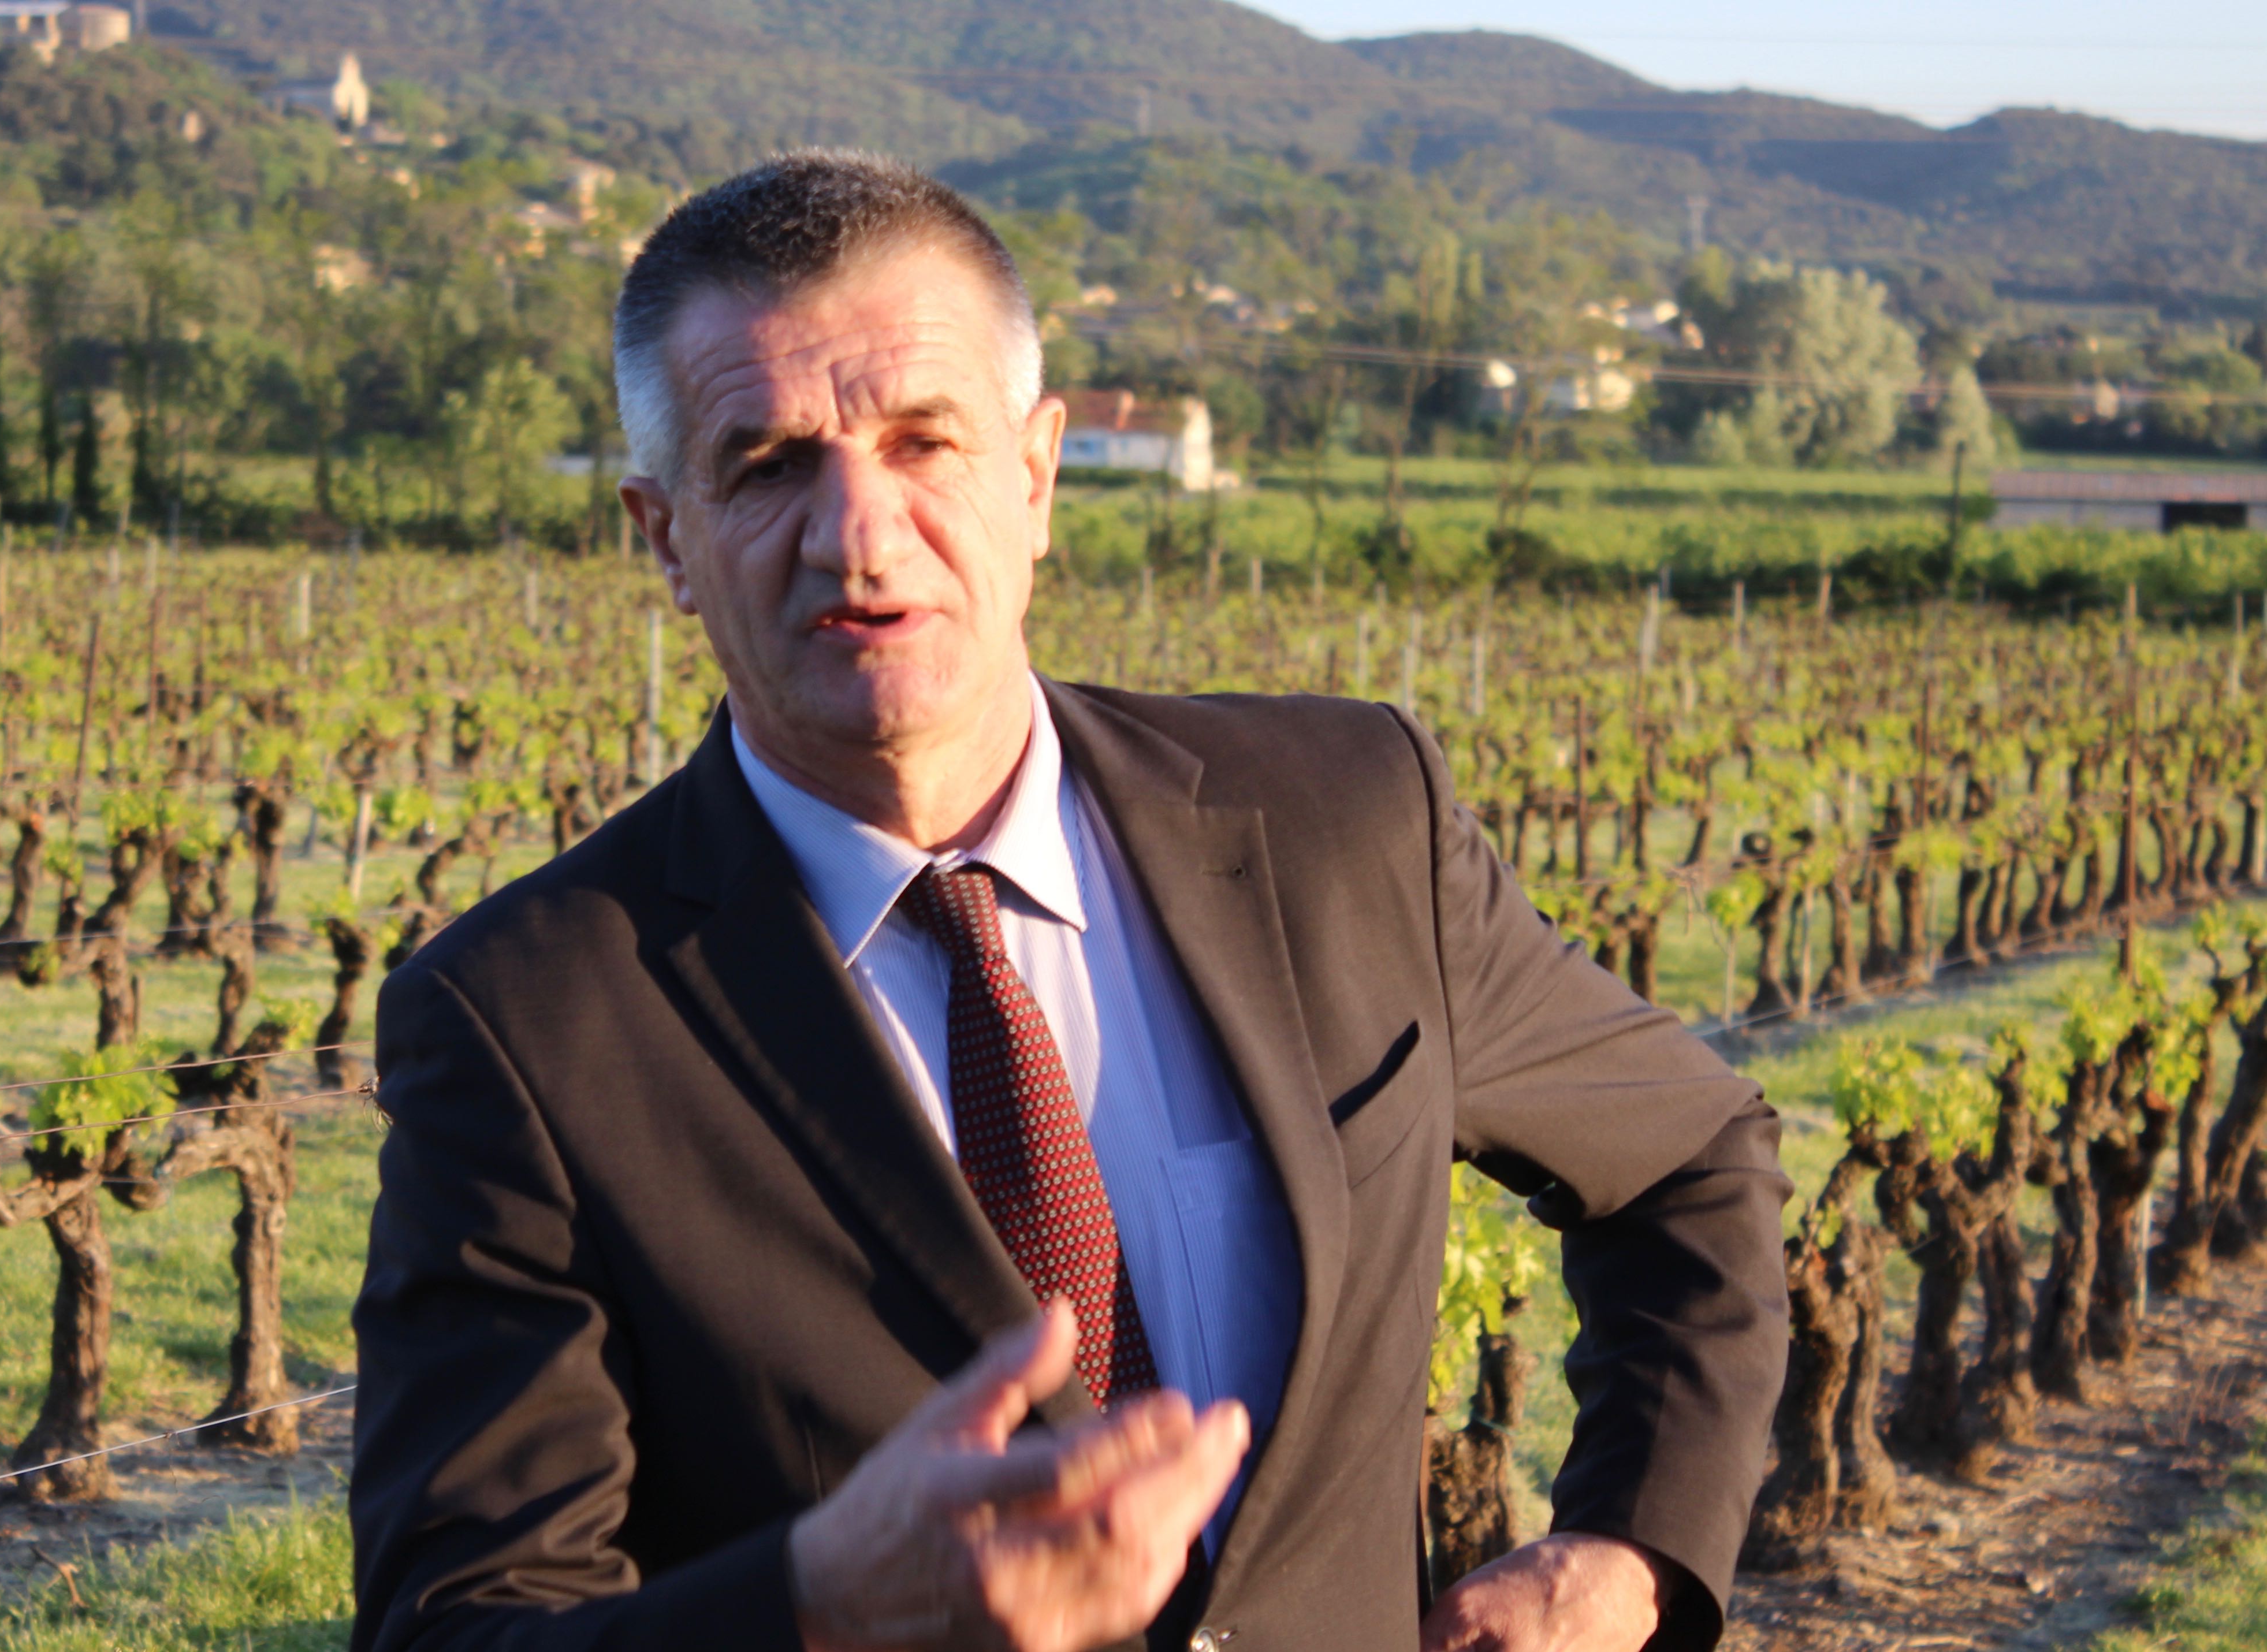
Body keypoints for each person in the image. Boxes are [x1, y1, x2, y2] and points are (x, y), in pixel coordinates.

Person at [350, 152, 1786, 1652]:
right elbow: (457, 1624)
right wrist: (823, 1604)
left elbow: (1690, 1155)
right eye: (769, 464)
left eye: (926, 441)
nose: (860, 531)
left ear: (1035, 476)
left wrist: (1625, 1550)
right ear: (667, 541)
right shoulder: (525, 1022)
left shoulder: (1349, 821)